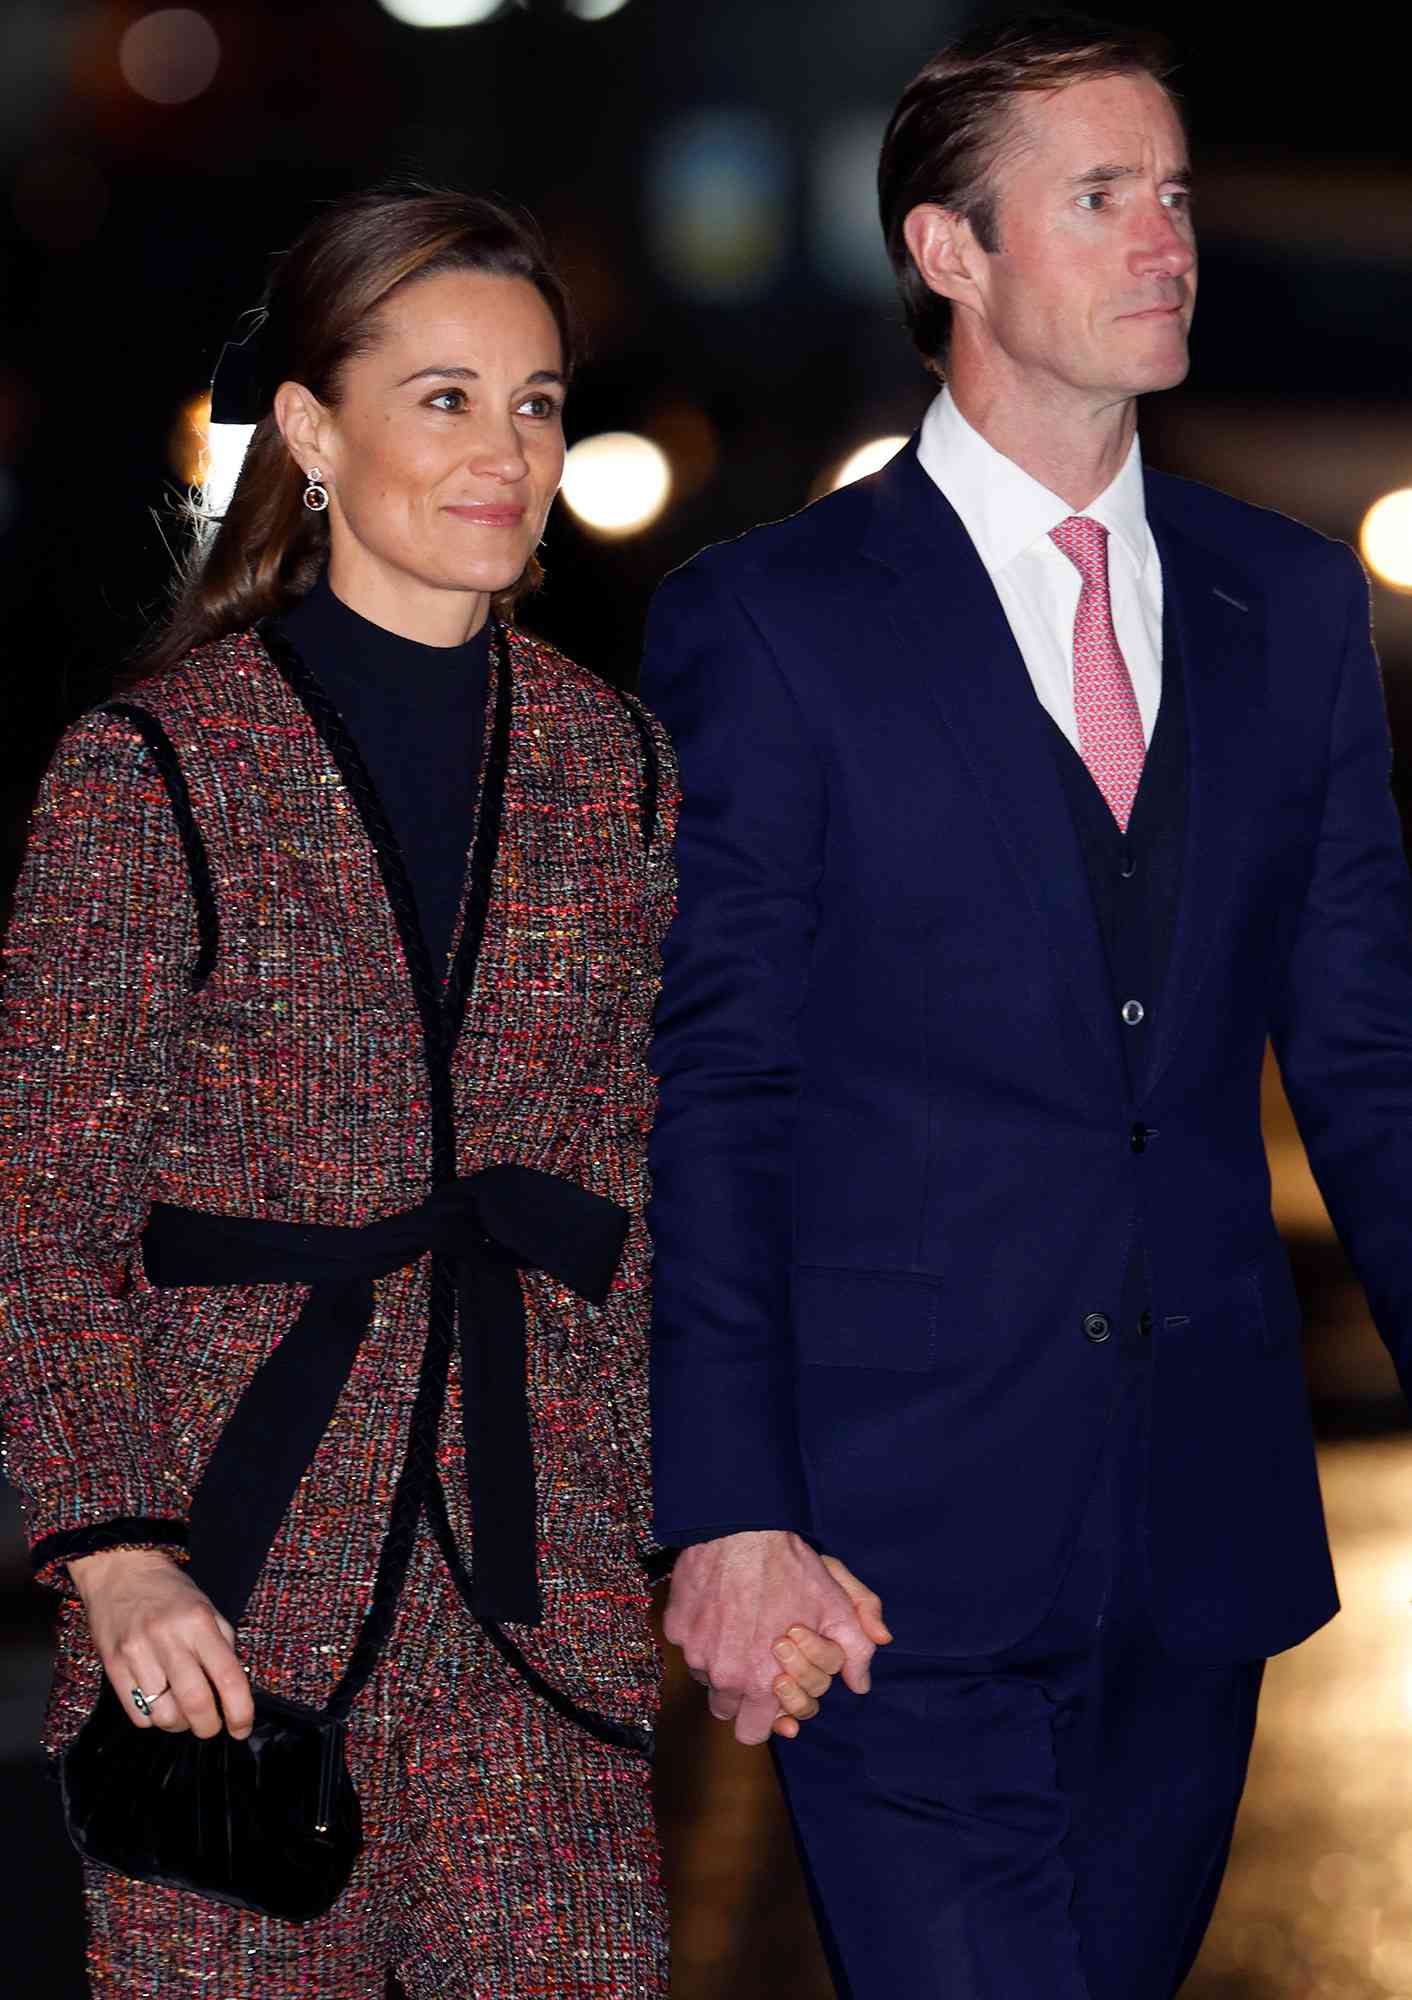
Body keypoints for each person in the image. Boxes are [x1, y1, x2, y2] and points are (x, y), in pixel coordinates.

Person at [642, 13, 1412, 1997]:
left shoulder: (1286, 606)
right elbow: (715, 1086)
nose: (1162, 240)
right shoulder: (774, 619)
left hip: (1199, 1537)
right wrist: (726, 1506)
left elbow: (1364, 1054)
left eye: (1170, 194)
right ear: (948, 253)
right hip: (887, 1551)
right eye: (1096, 199)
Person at [0, 184, 839, 1999]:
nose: (507, 449)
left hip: (542, 1617)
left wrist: (714, 1510)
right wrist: (116, 1552)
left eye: (536, 402)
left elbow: (662, 1169)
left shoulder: (613, 764)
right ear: (310, 427)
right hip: (224, 1620)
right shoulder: (148, 770)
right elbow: (44, 1220)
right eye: (444, 396)